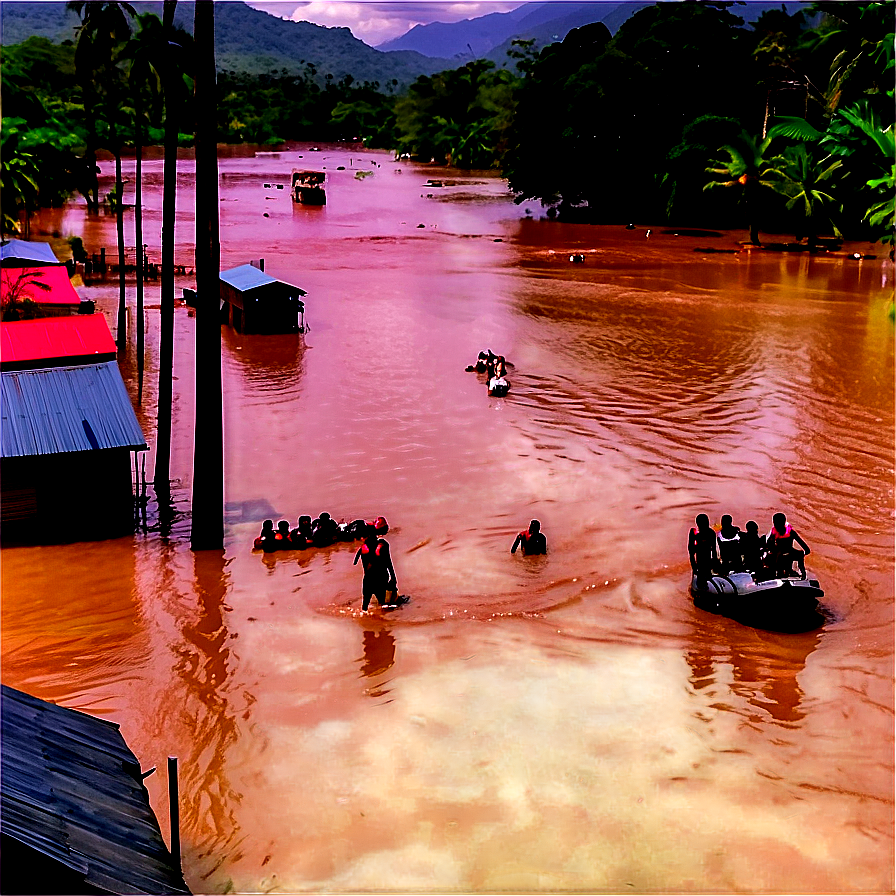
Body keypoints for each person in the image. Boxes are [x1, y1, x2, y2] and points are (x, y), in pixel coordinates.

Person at [353, 521, 399, 611]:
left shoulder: (363, 548)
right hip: (380, 579)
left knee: (364, 607)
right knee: (382, 605)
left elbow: (355, 562)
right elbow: (389, 562)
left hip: (368, 580)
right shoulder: (383, 545)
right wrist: (393, 577)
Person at [765, 512, 811, 578]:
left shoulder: (789, 532)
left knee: (798, 554)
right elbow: (806, 549)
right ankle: (799, 574)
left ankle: (802, 575)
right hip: (785, 553)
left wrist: (804, 553)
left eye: (777, 524)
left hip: (783, 554)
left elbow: (806, 549)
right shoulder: (782, 532)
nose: (776, 526)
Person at [688, 513, 719, 583]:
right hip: (699, 561)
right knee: (702, 579)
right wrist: (694, 567)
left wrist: (715, 563)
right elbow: (691, 552)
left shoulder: (711, 533)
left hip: (708, 560)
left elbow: (714, 551)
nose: (706, 525)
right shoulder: (694, 534)